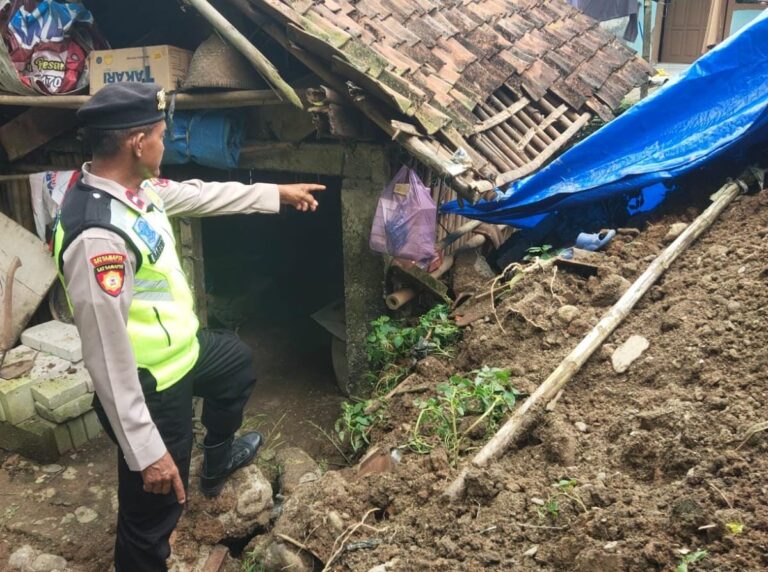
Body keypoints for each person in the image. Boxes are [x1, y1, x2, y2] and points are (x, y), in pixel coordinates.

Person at [51, 82, 325, 571]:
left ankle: (217, 458)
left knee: (237, 365)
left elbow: (198, 195)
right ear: (138, 143)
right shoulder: (97, 236)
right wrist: (146, 449)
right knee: (153, 512)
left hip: (184, 352)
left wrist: (274, 193)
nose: (166, 141)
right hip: (149, 385)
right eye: (162, 133)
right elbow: (108, 362)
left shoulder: (136, 190)